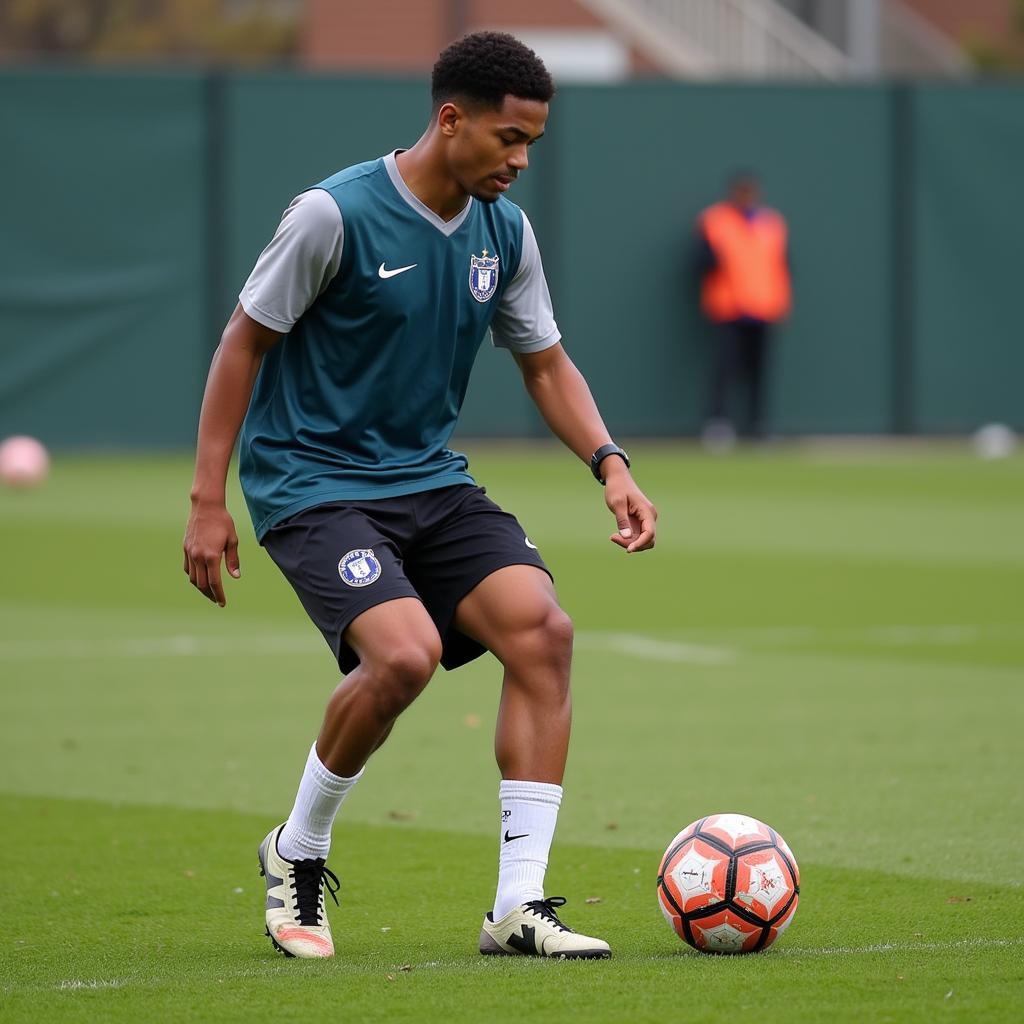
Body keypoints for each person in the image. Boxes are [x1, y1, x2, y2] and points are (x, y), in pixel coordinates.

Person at [182, 31, 657, 962]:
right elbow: (243, 341)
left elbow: (546, 363)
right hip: (311, 480)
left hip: (427, 480)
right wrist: (208, 498)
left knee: (543, 632)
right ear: (451, 120)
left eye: (533, 145)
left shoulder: (503, 232)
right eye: (509, 139)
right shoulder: (334, 214)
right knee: (404, 657)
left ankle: (518, 910)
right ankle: (297, 851)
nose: (521, 162)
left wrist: (611, 463)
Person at [695, 172, 791, 446]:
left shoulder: (771, 223)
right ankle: (718, 424)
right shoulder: (715, 221)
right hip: (729, 308)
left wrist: (781, 303)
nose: (747, 197)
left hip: (763, 308)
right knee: (725, 369)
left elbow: (780, 265)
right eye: (742, 191)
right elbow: (701, 262)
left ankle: (760, 426)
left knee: (760, 371)